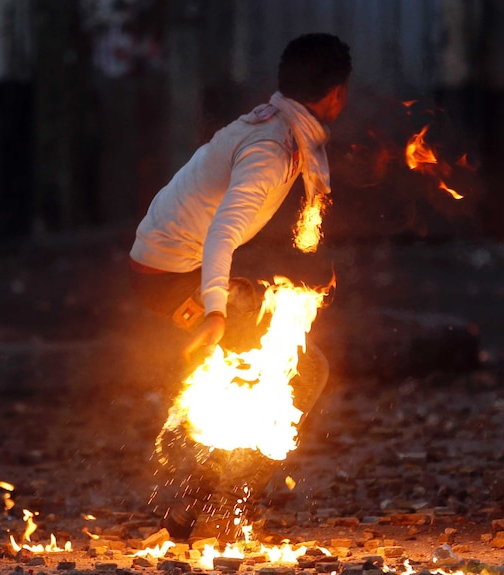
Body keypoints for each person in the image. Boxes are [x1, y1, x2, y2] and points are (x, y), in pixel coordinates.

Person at [128, 33, 352, 542]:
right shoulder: (273, 149)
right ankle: (218, 505)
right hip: (169, 278)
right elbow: (221, 234)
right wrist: (215, 312)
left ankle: (199, 501)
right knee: (306, 369)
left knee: (281, 354)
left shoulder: (276, 123)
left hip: (167, 263)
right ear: (337, 94)